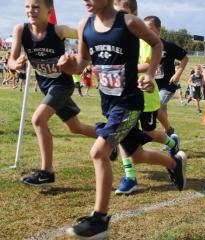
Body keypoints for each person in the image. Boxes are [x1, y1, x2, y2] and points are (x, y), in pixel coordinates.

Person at [58, 1, 185, 238]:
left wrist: (148, 74)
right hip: (109, 104)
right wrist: (69, 66)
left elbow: (157, 45)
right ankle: (174, 163)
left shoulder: (128, 22)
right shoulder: (84, 25)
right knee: (136, 155)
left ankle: (100, 220)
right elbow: (82, 63)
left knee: (98, 152)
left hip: (129, 103)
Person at [8, 0, 98, 187]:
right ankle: (108, 138)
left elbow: (85, 34)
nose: (30, 11)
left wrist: (77, 56)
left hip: (62, 86)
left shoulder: (59, 31)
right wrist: (14, 65)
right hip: (46, 87)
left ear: (49, 11)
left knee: (38, 119)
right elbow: (11, 59)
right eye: (27, 7)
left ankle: (47, 173)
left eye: (35, 7)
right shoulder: (20, 30)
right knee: (75, 127)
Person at [114, 0, 186, 195]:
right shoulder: (116, 38)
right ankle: (130, 178)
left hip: (146, 98)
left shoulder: (143, 38)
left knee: (150, 133)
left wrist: (125, 69)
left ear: (134, 13)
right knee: (122, 135)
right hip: (124, 97)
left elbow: (148, 64)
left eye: (124, 11)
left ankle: (172, 143)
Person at [150, 16, 188, 136]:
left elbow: (185, 58)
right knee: (162, 113)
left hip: (168, 85)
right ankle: (170, 139)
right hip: (153, 85)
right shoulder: (144, 48)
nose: (147, 32)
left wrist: (178, 74)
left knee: (157, 106)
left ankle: (170, 131)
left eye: (150, 28)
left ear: (159, 29)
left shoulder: (168, 46)